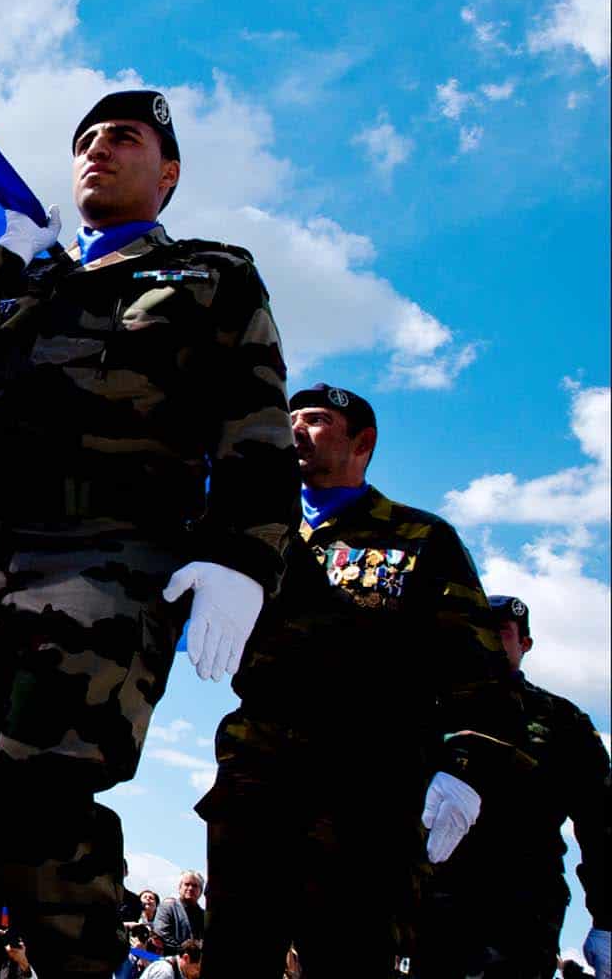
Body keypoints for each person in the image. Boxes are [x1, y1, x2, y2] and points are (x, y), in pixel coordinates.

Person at [0, 89, 299, 974]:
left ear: (170, 173)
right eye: (85, 139)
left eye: (125, 137)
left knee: (41, 791)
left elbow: (255, 425)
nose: (97, 150)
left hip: (115, 546)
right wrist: (2, 255)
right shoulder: (29, 276)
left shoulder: (212, 274)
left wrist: (243, 556)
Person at [196, 383, 516, 973]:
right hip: (258, 775)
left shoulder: (421, 539)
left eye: (316, 420)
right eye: (289, 417)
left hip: (371, 784)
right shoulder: (250, 532)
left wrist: (465, 770)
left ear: (362, 443)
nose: (295, 429)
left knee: (351, 953)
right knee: (236, 951)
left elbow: (478, 668)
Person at [413, 595, 609, 978]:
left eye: (501, 633)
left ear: (525, 644)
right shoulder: (427, 709)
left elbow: (602, 821)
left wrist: (608, 919)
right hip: (433, 899)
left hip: (522, 905)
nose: (487, 642)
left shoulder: (562, 721)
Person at [149, 872, 204, 952]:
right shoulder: (167, 908)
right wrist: (186, 952)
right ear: (180, 888)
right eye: (187, 884)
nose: (190, 888)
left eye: (195, 886)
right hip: (170, 959)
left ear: (201, 891)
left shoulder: (204, 916)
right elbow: (162, 935)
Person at [136, 939, 201, 979]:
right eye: (197, 969)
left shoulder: (176, 971)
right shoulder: (166, 972)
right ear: (186, 958)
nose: (198, 974)